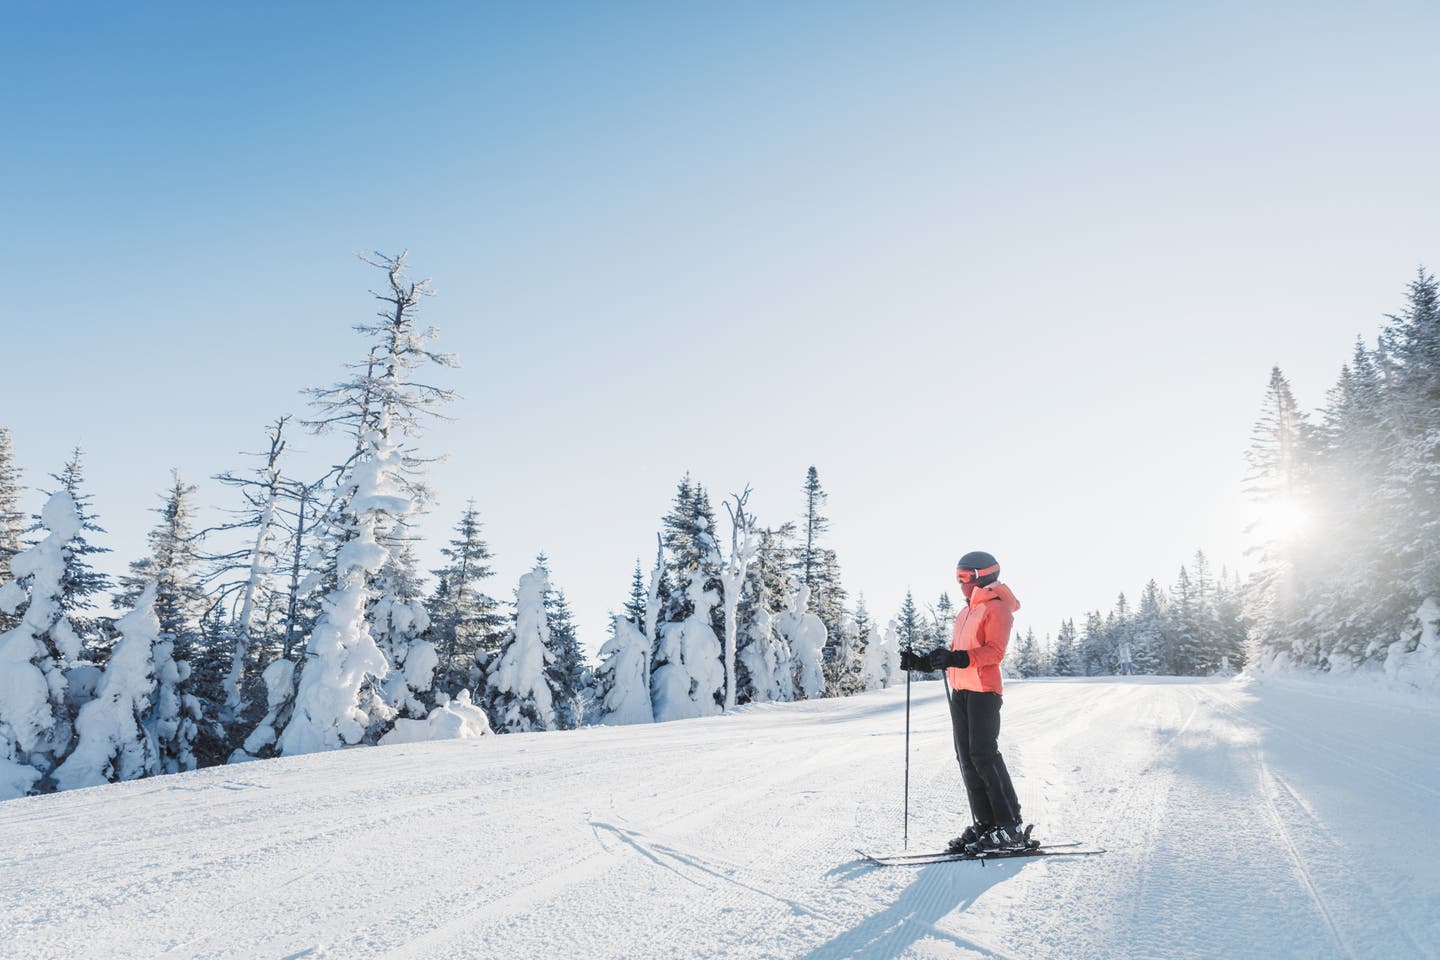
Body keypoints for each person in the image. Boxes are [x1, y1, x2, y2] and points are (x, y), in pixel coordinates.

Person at [899, 550, 1030, 854]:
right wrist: (923, 663)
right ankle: (987, 824)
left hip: (984, 691)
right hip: (962, 691)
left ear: (983, 576)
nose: (960, 583)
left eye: (965, 577)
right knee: (967, 759)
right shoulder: (966, 612)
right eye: (957, 577)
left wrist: (957, 658)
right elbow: (957, 655)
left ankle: (1010, 827)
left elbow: (994, 653)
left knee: (984, 755)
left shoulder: (997, 609)